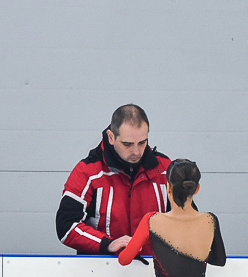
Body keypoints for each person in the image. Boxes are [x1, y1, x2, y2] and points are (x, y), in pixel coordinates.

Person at [56, 104, 171, 256]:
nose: (136, 151)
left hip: (153, 272)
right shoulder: (87, 172)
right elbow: (66, 227)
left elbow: (186, 222)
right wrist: (107, 244)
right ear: (111, 137)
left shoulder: (164, 169)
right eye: (127, 144)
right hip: (100, 270)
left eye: (142, 142)